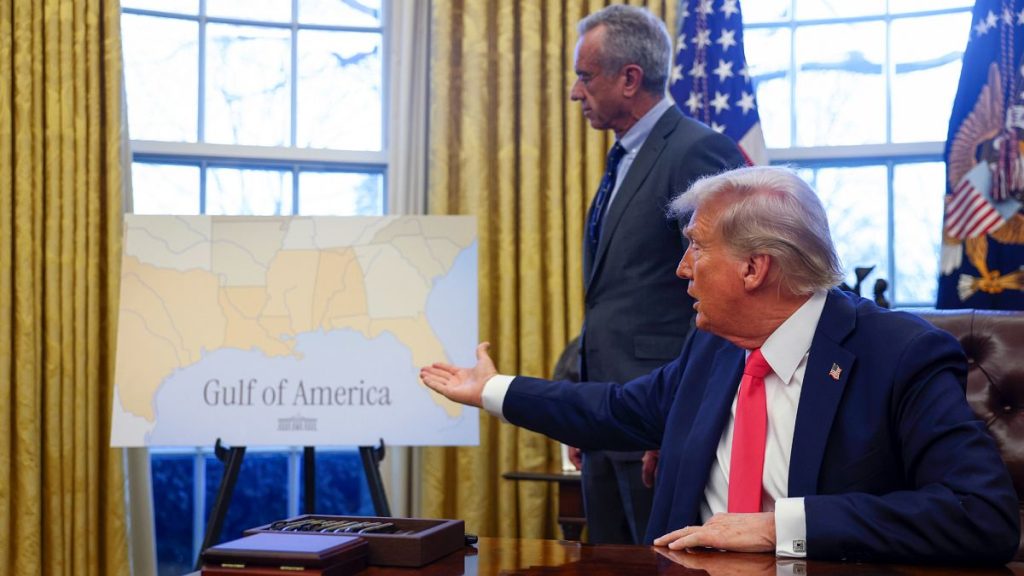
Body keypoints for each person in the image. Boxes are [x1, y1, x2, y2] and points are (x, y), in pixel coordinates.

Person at [420, 165, 1021, 564]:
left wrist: (779, 526)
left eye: (697, 246)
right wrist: (491, 389)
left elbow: (981, 515)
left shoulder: (899, 355)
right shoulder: (714, 347)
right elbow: (615, 410)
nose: (681, 267)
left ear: (754, 268)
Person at [566, 4, 746, 545]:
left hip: (656, 424)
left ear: (629, 78)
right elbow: (614, 296)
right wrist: (580, 403)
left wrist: (677, 416)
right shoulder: (621, 157)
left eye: (585, 76)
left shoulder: (697, 150)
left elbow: (721, 297)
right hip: (606, 418)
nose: (575, 93)